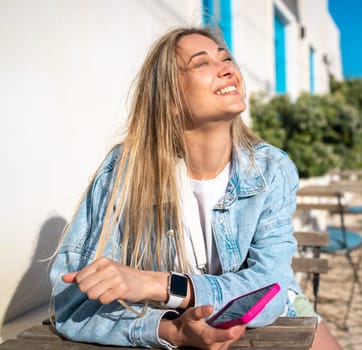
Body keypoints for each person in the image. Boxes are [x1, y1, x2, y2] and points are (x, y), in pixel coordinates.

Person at [49, 26, 342, 350]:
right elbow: (73, 307)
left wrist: (160, 284)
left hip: (273, 318)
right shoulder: (125, 172)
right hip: (165, 323)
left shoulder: (270, 170)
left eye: (226, 58)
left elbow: (270, 289)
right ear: (171, 100)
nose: (229, 68)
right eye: (202, 63)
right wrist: (172, 330)